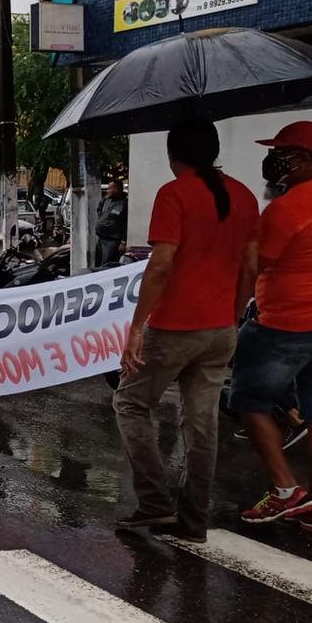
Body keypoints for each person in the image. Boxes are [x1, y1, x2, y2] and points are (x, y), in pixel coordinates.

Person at [112, 120, 259, 543]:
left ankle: (155, 503)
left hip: (174, 327)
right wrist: (232, 316)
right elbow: (250, 266)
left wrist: (137, 327)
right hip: (221, 329)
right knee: (202, 423)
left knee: (131, 404)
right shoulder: (245, 196)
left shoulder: (173, 194)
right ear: (212, 151)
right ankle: (194, 518)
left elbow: (161, 263)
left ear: (173, 154)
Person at [230, 120, 312, 534]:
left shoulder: (288, 208)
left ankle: (287, 491)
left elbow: (257, 264)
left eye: (282, 154)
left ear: (305, 159)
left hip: (284, 322)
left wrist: (233, 310)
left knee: (248, 401)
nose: (274, 162)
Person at [95, 179, 128, 266]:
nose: (107, 190)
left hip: (112, 241)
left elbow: (126, 224)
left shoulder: (124, 203)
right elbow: (99, 211)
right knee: (98, 264)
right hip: (101, 238)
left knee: (107, 265)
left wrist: (123, 242)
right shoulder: (105, 200)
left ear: (117, 189)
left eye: (110, 188)